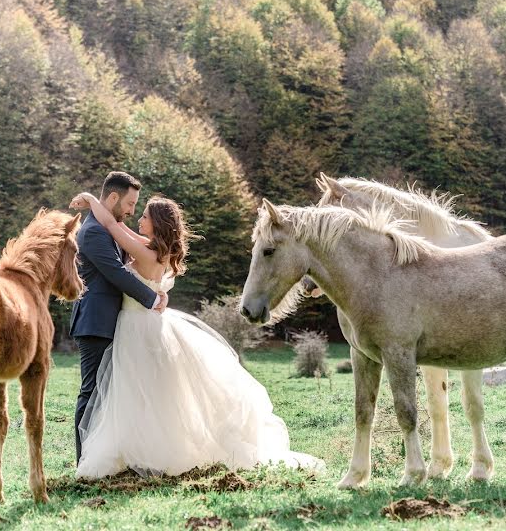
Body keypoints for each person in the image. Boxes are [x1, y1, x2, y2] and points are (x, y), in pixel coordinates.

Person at [69, 191, 322, 478]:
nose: (138, 219)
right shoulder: (155, 249)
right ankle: (136, 449)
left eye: (144, 216)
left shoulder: (146, 252)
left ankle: (140, 452)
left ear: (157, 224)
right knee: (141, 394)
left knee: (135, 393)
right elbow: (122, 230)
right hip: (142, 324)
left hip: (136, 327)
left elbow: (115, 228)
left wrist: (92, 200)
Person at [69, 172, 168, 465]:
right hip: (96, 322)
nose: (131, 211)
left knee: (110, 393)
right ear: (112, 198)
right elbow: (116, 272)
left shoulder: (107, 227)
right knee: (92, 392)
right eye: (129, 203)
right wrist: (151, 298)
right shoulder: (94, 232)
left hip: (113, 321)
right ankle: (84, 460)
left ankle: (108, 456)